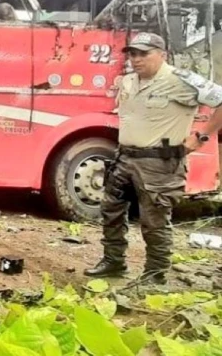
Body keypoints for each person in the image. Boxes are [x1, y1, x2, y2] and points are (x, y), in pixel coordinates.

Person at [85, 31, 222, 284]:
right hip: (124, 158)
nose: (136, 59)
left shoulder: (182, 81)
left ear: (162, 54)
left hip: (160, 163)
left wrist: (201, 137)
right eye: (133, 54)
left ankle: (155, 274)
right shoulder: (127, 81)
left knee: (154, 220)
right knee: (111, 211)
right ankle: (113, 262)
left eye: (143, 54)